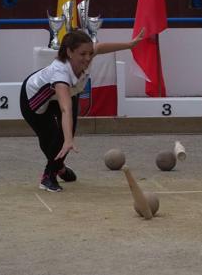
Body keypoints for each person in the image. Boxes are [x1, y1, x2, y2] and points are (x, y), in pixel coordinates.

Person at [20, 29, 144, 192]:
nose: (88, 58)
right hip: (35, 100)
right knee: (52, 138)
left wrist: (129, 45)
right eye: (82, 54)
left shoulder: (86, 56)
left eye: (89, 53)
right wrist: (68, 140)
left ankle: (58, 167)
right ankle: (49, 176)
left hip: (64, 94)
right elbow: (65, 109)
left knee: (65, 134)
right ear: (69, 52)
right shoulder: (61, 74)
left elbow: (100, 47)